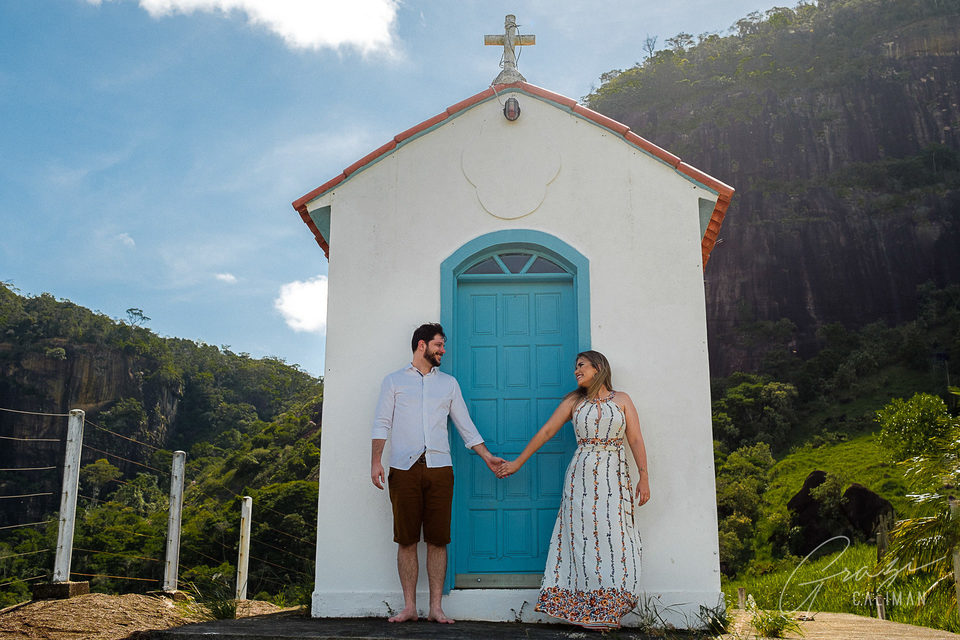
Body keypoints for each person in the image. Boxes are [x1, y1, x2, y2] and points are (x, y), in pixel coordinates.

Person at [496, 350, 650, 630]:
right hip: (581, 477)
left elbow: (636, 438)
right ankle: (585, 610)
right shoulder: (573, 402)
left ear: (598, 367)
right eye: (575, 367)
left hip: (615, 477)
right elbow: (546, 432)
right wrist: (518, 462)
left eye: (581, 366)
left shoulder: (623, 400)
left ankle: (610, 609)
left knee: (615, 539)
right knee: (582, 540)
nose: (576, 371)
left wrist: (644, 476)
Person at [371, 323, 505, 624]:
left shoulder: (449, 384)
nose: (443, 350)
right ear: (422, 345)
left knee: (437, 540)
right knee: (406, 540)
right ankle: (409, 607)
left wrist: (486, 457)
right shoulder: (393, 381)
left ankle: (435, 608)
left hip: (440, 469)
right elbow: (381, 423)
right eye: (438, 345)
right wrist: (376, 461)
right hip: (403, 469)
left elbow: (465, 425)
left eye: (442, 345)